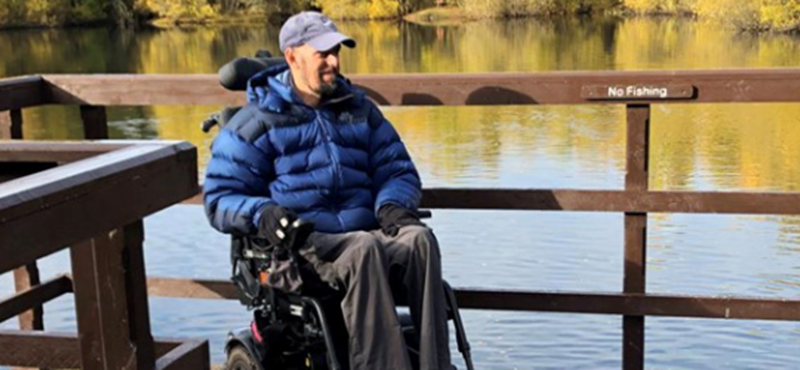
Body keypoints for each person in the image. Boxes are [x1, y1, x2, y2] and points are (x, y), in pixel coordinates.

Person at [203, 11, 451, 370]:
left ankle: (435, 365)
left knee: (418, 241)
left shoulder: (359, 110)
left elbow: (397, 169)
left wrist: (393, 204)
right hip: (304, 247)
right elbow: (219, 199)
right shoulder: (257, 122)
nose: (334, 61)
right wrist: (263, 213)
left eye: (336, 51)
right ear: (292, 57)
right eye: (323, 53)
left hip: (366, 231)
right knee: (362, 248)